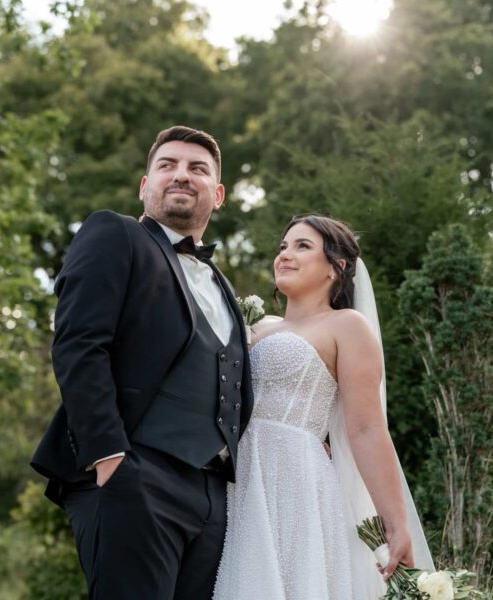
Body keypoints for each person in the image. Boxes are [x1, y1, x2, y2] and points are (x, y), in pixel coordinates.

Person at [31, 125, 254, 599]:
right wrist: (109, 457)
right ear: (144, 185)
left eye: (197, 169)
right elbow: (79, 345)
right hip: (133, 478)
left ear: (217, 195)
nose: (181, 175)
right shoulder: (116, 234)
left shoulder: (222, 284)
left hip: (213, 497)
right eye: (167, 165)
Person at [213, 215, 434, 599]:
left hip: (293, 480)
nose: (285, 255)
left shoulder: (347, 326)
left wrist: (396, 523)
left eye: (302, 246)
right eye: (283, 246)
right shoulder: (257, 326)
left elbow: (366, 428)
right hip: (235, 476)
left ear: (336, 267)